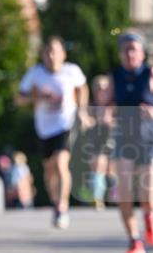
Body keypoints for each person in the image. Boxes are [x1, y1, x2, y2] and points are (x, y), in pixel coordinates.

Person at [106, 32, 153, 253]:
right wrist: (106, 116)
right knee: (124, 194)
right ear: (120, 54)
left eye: (134, 49)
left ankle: (149, 213)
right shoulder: (114, 77)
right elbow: (104, 105)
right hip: (124, 139)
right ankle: (134, 241)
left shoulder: (151, 73)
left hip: (148, 139)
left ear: (142, 53)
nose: (130, 53)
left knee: (148, 193)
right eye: (125, 49)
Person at [16, 35, 88, 228]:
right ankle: (56, 202)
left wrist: (82, 110)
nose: (51, 56)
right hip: (44, 127)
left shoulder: (72, 71)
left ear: (63, 54)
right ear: (42, 55)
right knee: (49, 169)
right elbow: (19, 99)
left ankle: (62, 206)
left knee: (61, 162)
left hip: (65, 123)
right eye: (48, 52)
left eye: (55, 52)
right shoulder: (35, 74)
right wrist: (35, 97)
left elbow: (82, 88)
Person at [84, 75, 116, 210]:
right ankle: (97, 198)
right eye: (98, 88)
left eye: (104, 88)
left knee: (111, 171)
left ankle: (116, 195)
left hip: (113, 140)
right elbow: (85, 123)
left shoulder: (114, 106)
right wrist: (94, 121)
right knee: (98, 167)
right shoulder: (90, 106)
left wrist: (111, 122)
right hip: (95, 141)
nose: (101, 91)